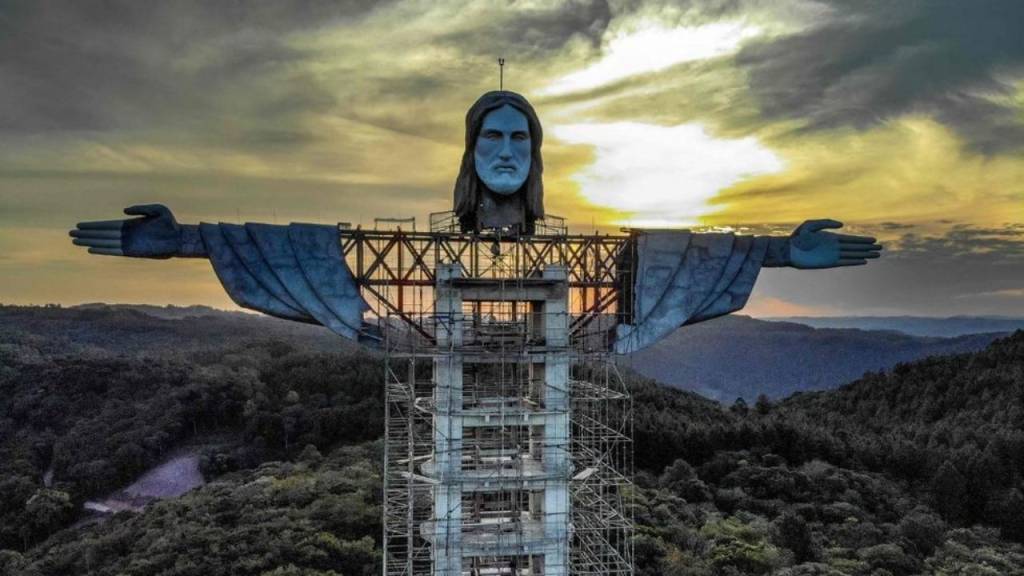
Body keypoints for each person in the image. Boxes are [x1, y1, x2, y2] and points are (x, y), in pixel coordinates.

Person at [69, 90, 881, 351]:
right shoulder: (410, 250)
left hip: (550, 370)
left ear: (535, 154)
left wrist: (778, 249)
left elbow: (678, 255)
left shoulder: (595, 248)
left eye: (517, 137)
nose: (503, 151)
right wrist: (182, 240)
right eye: (489, 136)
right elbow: (303, 247)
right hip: (447, 370)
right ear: (470, 151)